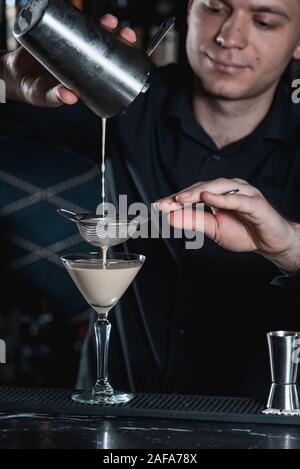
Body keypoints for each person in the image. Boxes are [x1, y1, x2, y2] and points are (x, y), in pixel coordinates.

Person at [1, 0, 300, 399]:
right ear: (189, 9)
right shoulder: (122, 93)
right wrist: (4, 79)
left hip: (254, 421)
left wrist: (290, 247)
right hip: (115, 411)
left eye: (264, 21)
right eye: (214, 8)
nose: (229, 37)